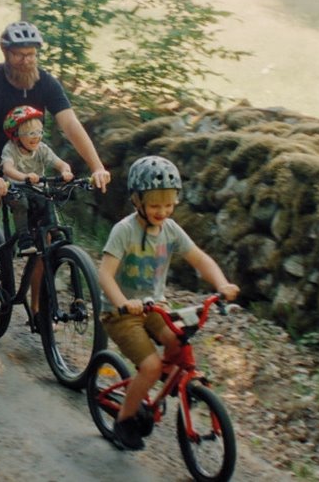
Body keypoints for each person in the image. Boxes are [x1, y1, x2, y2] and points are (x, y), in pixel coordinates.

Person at [96, 155, 239, 451]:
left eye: (169, 203)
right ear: (137, 200)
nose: (163, 211)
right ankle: (124, 421)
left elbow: (199, 258)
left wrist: (222, 284)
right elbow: (105, 274)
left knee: (178, 340)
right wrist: (123, 303)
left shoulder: (171, 230)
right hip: (121, 313)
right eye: (155, 204)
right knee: (149, 366)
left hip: (154, 307)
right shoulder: (124, 230)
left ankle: (157, 377)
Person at [0, 20, 111, 290]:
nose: (26, 60)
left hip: (28, 162)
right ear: (6, 54)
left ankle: (39, 309)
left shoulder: (46, 83)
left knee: (47, 235)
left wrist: (97, 166)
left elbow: (71, 125)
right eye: (20, 54)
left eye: (31, 53)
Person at [0, 104, 73, 255]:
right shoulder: (10, 149)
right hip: (15, 188)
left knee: (48, 201)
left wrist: (65, 171)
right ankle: (24, 240)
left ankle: (54, 233)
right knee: (21, 202)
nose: (36, 136)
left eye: (39, 132)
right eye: (30, 133)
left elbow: (60, 163)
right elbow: (7, 168)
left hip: (35, 189)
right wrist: (24, 177)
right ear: (16, 135)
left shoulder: (42, 149)